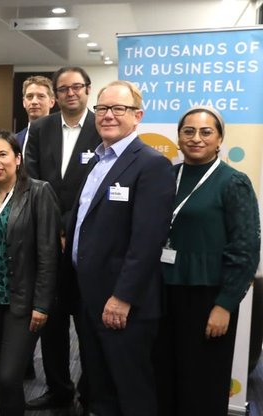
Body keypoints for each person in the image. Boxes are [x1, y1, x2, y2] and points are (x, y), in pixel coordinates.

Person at [66, 80, 174, 416]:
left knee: (131, 390)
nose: (108, 115)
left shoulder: (151, 165)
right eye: (101, 108)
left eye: (118, 109)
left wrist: (123, 297)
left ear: (138, 115)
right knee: (99, 386)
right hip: (89, 297)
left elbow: (147, 240)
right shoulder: (97, 161)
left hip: (123, 304)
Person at [156, 106, 260, 416]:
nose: (196, 138)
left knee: (202, 383)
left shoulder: (233, 182)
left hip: (207, 297)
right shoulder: (167, 176)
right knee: (164, 377)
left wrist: (225, 304)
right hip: (162, 292)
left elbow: (245, 249)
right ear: (178, 137)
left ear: (219, 139)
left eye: (205, 132)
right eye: (189, 131)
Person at [22, 66, 101, 412]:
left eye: (77, 87)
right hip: (47, 240)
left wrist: (70, 227)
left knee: (87, 324)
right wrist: (55, 229)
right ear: (56, 95)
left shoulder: (102, 126)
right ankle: (58, 388)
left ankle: (90, 391)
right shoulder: (40, 128)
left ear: (87, 90)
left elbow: (97, 183)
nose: (71, 93)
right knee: (51, 323)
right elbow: (32, 179)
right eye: (64, 89)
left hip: (87, 242)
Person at [0, 131, 60, 416]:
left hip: (23, 300)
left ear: (18, 159)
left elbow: (49, 254)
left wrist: (42, 304)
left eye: (2, 154)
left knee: (7, 376)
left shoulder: (39, 192)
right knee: (9, 378)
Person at [16, 75, 55, 149]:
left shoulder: (64, 136)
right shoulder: (15, 140)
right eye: (30, 96)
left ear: (52, 102)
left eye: (41, 96)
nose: (34, 102)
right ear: (24, 102)